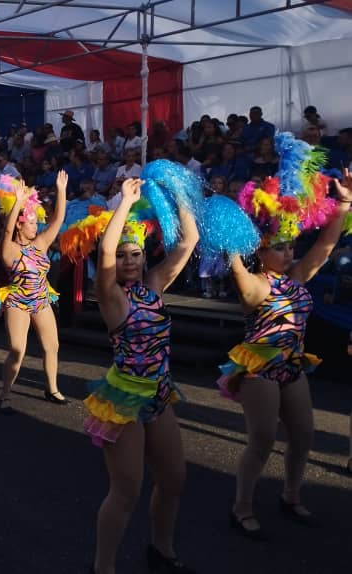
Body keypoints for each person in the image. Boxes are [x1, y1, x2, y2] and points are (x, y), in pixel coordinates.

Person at [219, 169, 352, 538]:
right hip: (260, 367)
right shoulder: (256, 285)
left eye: (291, 244)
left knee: (304, 434)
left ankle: (291, 495)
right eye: (280, 246)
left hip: (292, 364)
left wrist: (343, 205)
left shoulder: (295, 277)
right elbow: (239, 276)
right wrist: (231, 240)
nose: (290, 251)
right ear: (260, 251)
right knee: (262, 439)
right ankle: (241, 506)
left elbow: (325, 247)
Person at [82, 178, 199, 574]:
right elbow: (104, 252)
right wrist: (127, 202)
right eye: (124, 255)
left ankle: (161, 550)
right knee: (126, 491)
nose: (130, 261)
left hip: (160, 395)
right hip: (124, 401)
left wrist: (179, 191)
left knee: (174, 480)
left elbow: (187, 243)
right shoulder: (112, 297)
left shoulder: (152, 287)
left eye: (136, 254)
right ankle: (104, 567)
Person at [0, 172, 69, 412]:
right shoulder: (10, 250)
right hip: (17, 302)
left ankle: (52, 388)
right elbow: (7, 233)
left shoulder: (41, 244)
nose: (36, 225)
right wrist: (18, 202)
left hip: (41, 299)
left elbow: (57, 221)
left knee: (52, 346)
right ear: (19, 224)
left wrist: (61, 190)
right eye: (31, 222)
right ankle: (5, 393)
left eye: (36, 222)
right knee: (18, 351)